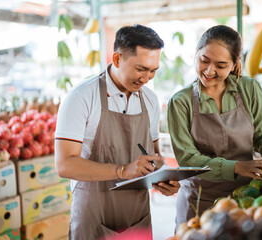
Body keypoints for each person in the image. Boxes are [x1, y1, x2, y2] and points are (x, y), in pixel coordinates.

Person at [167, 25, 262, 228]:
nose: (210, 71)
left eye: (220, 65)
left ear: (234, 65)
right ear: (196, 55)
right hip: (199, 203)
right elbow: (188, 160)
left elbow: (261, 137)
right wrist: (236, 167)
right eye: (204, 60)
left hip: (246, 199)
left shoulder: (249, 89)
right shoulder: (180, 102)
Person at [55, 24, 180, 239]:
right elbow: (65, 164)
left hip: (138, 218)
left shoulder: (150, 101)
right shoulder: (81, 97)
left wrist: (163, 178)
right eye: (140, 69)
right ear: (116, 59)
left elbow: (154, 156)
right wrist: (122, 170)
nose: (146, 78)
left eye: (153, 71)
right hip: (95, 218)